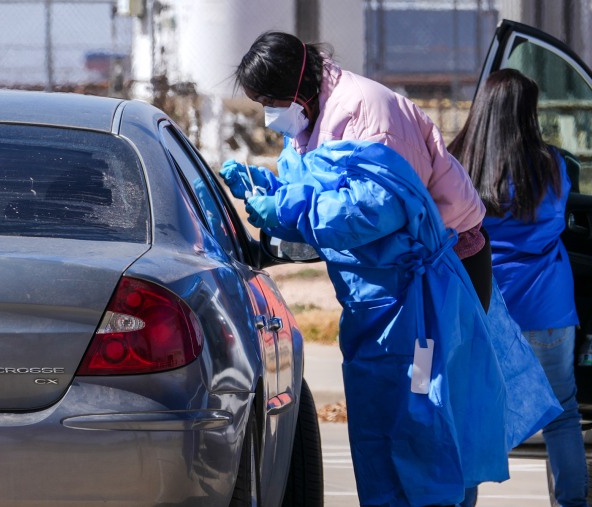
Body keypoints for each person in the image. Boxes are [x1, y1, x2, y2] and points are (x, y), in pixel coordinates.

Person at [225, 138, 560, 506]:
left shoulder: (374, 145)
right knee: (443, 405)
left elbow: (356, 214)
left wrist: (284, 206)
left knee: (429, 407)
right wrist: (282, 199)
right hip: (437, 298)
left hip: (421, 311)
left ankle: (442, 495)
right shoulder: (541, 165)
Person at [221, 30, 492, 311]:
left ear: (293, 88)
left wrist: (287, 207)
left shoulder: (365, 112)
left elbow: (378, 209)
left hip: (442, 255)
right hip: (390, 262)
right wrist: (268, 189)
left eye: (268, 103)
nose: (268, 115)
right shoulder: (304, 119)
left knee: (434, 354)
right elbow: (316, 192)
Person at [448, 68, 587, 507]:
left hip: (481, 305)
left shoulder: (457, 164)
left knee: (470, 414)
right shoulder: (554, 166)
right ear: (529, 113)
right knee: (563, 414)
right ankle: (572, 503)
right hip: (548, 308)